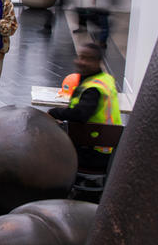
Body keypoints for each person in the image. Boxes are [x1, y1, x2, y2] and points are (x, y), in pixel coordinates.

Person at [48, 43, 122, 172]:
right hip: (103, 146)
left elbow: (80, 114)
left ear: (98, 62)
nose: (81, 62)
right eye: (80, 57)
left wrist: (55, 113)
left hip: (93, 151)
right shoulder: (105, 78)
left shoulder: (94, 88)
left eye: (88, 59)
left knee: (47, 147)